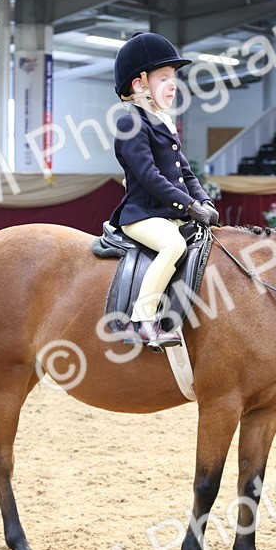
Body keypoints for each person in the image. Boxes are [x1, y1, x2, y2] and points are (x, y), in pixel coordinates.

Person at [108, 31, 219, 349]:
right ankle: (142, 320)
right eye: (164, 78)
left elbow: (185, 171)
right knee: (173, 248)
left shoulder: (163, 122)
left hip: (169, 212)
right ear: (139, 84)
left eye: (174, 78)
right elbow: (150, 177)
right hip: (142, 214)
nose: (173, 85)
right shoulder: (131, 124)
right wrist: (189, 207)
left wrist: (204, 200)